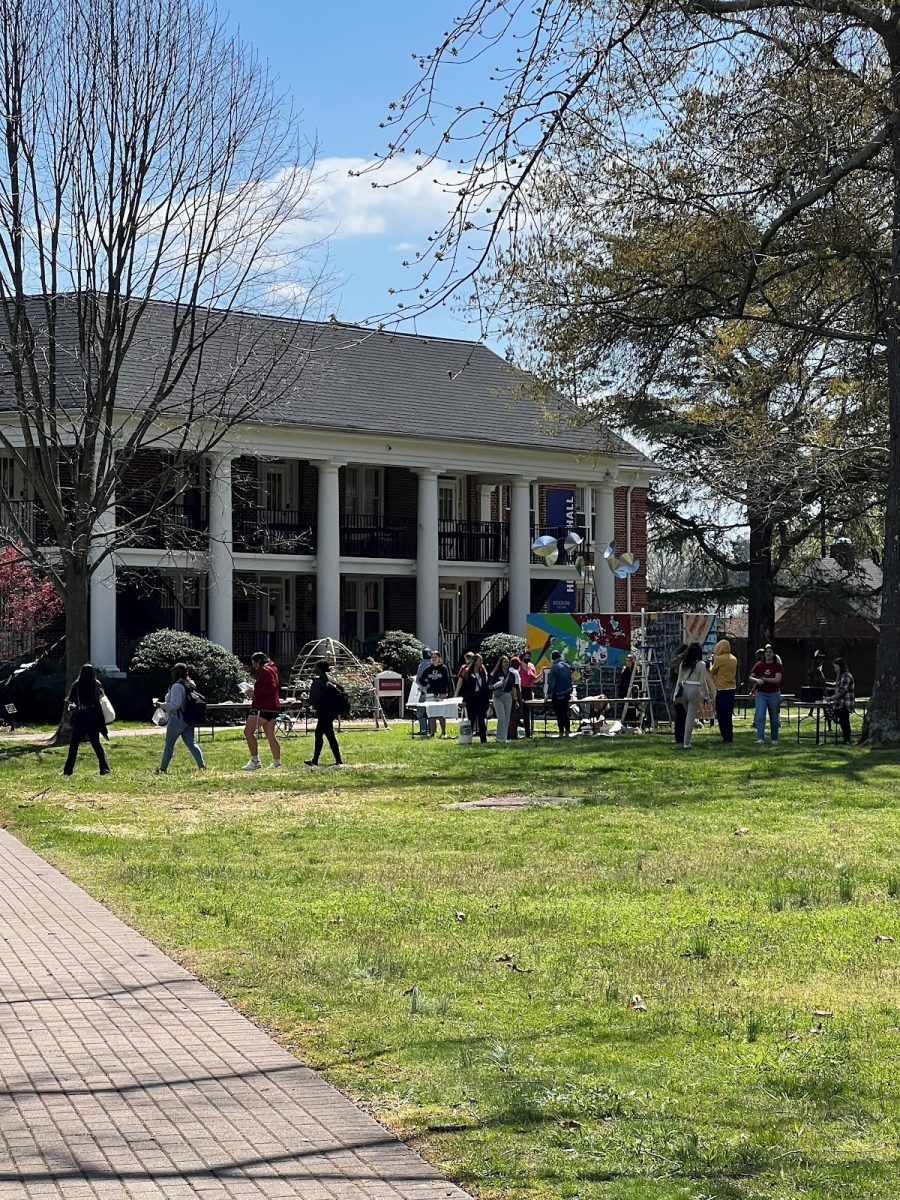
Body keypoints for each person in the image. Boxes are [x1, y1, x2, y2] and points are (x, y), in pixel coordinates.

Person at [156, 662, 206, 774]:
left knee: (169, 746)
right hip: (188, 718)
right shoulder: (190, 683)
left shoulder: (176, 686)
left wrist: (162, 705)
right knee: (191, 743)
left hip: (177, 718)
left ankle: (163, 769)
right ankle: (202, 766)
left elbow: (175, 704)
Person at [62, 663, 110, 776]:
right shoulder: (96, 684)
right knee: (96, 744)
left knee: (74, 745)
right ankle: (104, 768)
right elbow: (102, 700)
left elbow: (70, 700)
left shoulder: (77, 684)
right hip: (94, 716)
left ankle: (68, 770)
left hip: (81, 716)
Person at [243, 651, 282, 770]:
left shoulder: (265, 670)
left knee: (248, 732)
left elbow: (271, 686)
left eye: (254, 663)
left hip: (262, 707)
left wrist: (254, 693)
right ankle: (277, 763)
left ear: (258, 662)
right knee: (270, 736)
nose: (253, 666)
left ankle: (255, 761)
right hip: (272, 708)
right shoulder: (272, 669)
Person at [674, 642, 714, 749]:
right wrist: (706, 696)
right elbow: (703, 682)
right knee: (690, 718)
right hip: (694, 690)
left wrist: (675, 694)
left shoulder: (683, 663)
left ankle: (681, 739)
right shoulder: (701, 664)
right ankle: (687, 743)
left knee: (686, 715)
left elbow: (679, 680)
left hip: (683, 690)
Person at [305, 659, 343, 766]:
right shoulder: (331, 680)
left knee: (324, 736)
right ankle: (319, 760)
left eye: (316, 667)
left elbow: (313, 699)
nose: (314, 669)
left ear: (320, 669)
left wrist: (305, 701)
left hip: (323, 712)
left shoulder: (318, 682)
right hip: (331, 712)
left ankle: (317, 760)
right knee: (325, 735)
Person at [748, 644, 783, 745]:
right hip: (761, 694)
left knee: (774, 717)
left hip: (774, 694)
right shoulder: (759, 665)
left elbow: (777, 679)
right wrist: (757, 680)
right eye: (766, 652)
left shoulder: (777, 666)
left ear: (773, 654)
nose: (768, 654)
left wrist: (764, 679)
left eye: (770, 652)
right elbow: (751, 677)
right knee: (760, 715)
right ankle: (760, 738)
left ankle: (774, 739)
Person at [710, 638, 738, 743]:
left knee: (721, 714)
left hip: (721, 689)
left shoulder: (719, 659)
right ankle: (729, 736)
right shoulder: (733, 658)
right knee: (728, 714)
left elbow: (712, 672)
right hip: (731, 689)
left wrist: (711, 662)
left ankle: (724, 736)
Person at [458, 652, 490, 742]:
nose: (482, 662)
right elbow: (465, 687)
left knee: (481, 719)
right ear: (475, 661)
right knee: (471, 719)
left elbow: (484, 686)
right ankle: (468, 738)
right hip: (471, 698)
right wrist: (465, 699)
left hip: (480, 698)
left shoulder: (482, 672)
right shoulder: (468, 672)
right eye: (480, 660)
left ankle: (483, 739)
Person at [421, 650, 452, 736]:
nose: (434, 659)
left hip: (441, 693)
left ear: (439, 658)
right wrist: (426, 684)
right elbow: (421, 679)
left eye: (436, 657)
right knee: (431, 713)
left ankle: (443, 731)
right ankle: (432, 732)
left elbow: (447, 681)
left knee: (441, 713)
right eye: (433, 657)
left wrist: (445, 692)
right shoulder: (428, 669)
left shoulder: (443, 668)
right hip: (431, 693)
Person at [546, 650, 573, 738]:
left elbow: (552, 684)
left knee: (559, 713)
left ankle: (561, 731)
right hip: (567, 693)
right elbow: (570, 680)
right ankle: (568, 731)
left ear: (553, 658)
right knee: (565, 712)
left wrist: (548, 694)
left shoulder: (554, 668)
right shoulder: (567, 666)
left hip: (557, 694)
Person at [830, 657, 856, 745]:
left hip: (845, 703)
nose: (835, 669)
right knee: (842, 721)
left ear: (840, 666)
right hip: (840, 703)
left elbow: (841, 691)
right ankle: (845, 739)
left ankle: (847, 740)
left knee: (845, 721)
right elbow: (837, 688)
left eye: (836, 667)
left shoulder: (846, 676)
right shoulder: (840, 676)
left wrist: (831, 698)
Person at [489, 655, 513, 744]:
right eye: (505, 662)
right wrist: (496, 685)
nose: (507, 663)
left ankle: (504, 738)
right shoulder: (496, 673)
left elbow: (513, 687)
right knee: (501, 717)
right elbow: (490, 685)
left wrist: (516, 699)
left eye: (507, 661)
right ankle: (499, 738)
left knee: (507, 718)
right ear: (501, 663)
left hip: (508, 696)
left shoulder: (511, 674)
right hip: (498, 696)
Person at [668, 644, 688, 745]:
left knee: (679, 716)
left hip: (675, 690)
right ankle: (682, 736)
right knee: (683, 715)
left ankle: (678, 736)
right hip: (682, 690)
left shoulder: (675, 661)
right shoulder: (684, 663)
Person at [518, 648, 538, 737]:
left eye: (529, 656)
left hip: (529, 690)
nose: (527, 658)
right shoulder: (519, 665)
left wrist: (543, 673)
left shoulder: (532, 666)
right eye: (526, 656)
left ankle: (528, 733)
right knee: (518, 712)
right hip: (521, 689)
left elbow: (535, 679)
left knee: (527, 713)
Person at [414, 647, 433, 736]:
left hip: (423, 691)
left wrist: (422, 687)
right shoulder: (434, 664)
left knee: (421, 711)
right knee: (431, 711)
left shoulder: (422, 665)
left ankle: (424, 729)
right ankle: (432, 729)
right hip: (433, 692)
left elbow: (418, 680)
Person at [618, 651, 639, 727]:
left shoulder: (636, 670)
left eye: (629, 661)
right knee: (625, 707)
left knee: (632, 708)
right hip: (625, 690)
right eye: (626, 661)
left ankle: (632, 722)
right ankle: (625, 722)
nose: (628, 662)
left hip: (633, 691)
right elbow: (623, 681)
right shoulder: (625, 670)